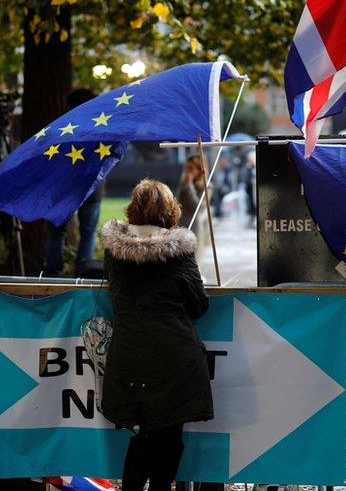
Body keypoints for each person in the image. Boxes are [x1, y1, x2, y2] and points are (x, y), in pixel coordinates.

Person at [99, 179, 212, 491]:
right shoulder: (180, 252)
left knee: (145, 433)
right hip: (174, 359)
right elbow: (199, 305)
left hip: (129, 355)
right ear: (170, 211)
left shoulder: (113, 252)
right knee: (169, 438)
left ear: (133, 209)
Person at [45, 88, 101, 277]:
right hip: (93, 187)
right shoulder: (101, 124)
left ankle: (53, 274)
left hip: (62, 187)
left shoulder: (61, 126)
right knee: (88, 233)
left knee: (56, 232)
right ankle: (83, 275)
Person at [176, 155, 209, 256]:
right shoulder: (183, 183)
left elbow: (197, 207)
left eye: (191, 168)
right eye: (186, 167)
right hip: (181, 224)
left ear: (199, 170)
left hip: (195, 227)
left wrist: (189, 185)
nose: (187, 171)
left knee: (194, 258)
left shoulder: (206, 186)